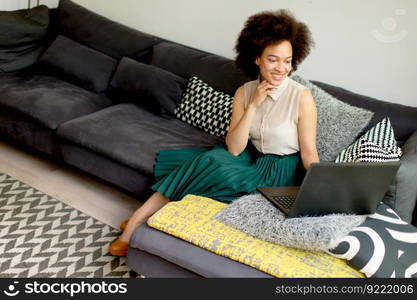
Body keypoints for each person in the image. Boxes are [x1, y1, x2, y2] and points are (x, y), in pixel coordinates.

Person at [109, 9, 320, 256]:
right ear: (257, 59)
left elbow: (309, 152)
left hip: (280, 169)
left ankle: (144, 221)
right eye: (273, 59)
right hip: (248, 155)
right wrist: (253, 105)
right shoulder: (245, 92)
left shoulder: (301, 97)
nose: (281, 68)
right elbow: (235, 148)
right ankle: (135, 222)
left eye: (287, 60)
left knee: (213, 170)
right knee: (209, 160)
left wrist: (319, 187)